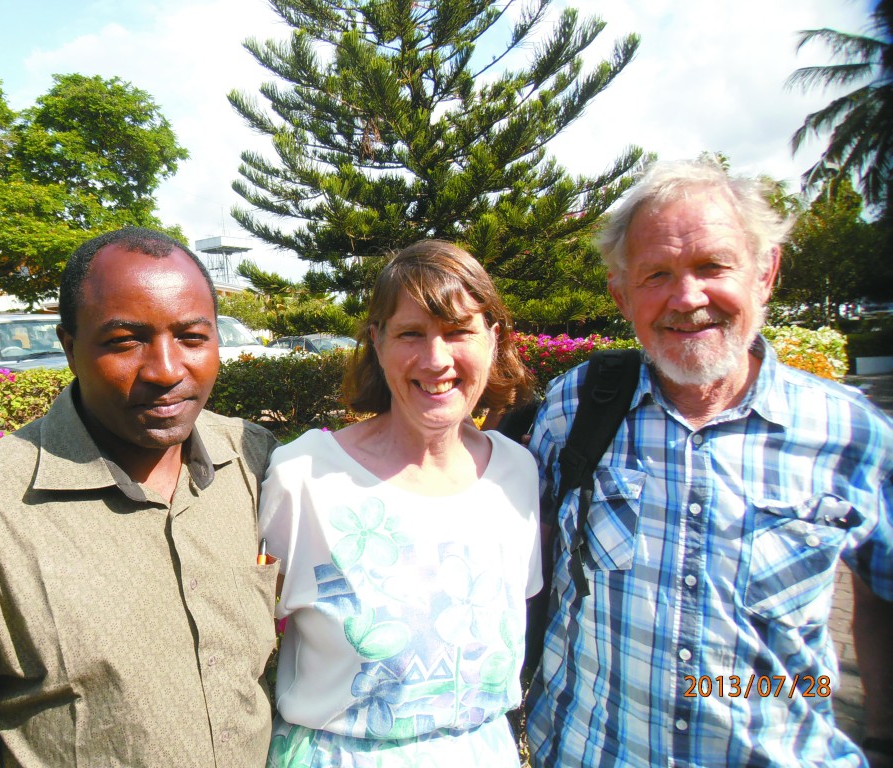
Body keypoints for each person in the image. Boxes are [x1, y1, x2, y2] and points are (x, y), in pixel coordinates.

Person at [525, 159, 893, 767]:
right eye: (656, 274)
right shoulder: (574, 408)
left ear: (765, 272)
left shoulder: (853, 435)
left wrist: (880, 736)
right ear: (622, 295)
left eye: (712, 266)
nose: (687, 297)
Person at [0, 227, 279, 767]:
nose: (165, 370)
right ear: (68, 348)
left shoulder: (251, 460)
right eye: (123, 341)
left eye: (193, 337)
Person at [258, 240, 542, 766]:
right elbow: (245, 641)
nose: (436, 360)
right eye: (411, 333)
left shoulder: (517, 473)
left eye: (459, 331)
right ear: (377, 342)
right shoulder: (305, 477)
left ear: (493, 339)